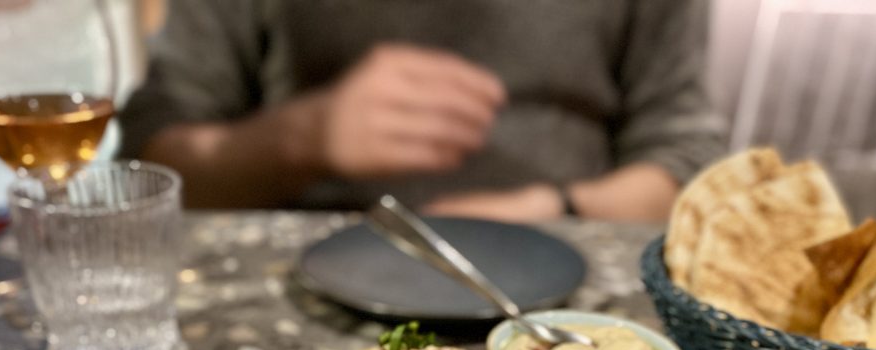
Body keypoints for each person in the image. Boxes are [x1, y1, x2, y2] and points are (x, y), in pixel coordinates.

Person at [118, 0, 726, 222]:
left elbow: (689, 163)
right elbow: (149, 163)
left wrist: (559, 208)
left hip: (570, 270)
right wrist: (301, 136)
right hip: (308, 270)